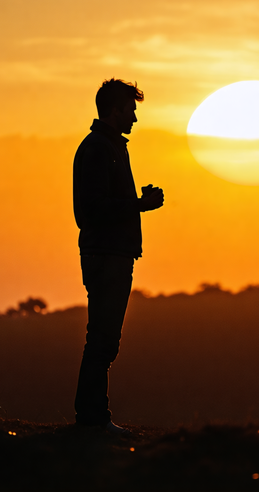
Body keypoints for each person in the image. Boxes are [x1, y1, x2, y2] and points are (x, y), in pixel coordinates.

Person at [73, 78, 164, 435]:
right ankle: (93, 419)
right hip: (106, 256)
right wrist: (138, 205)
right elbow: (89, 210)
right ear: (114, 110)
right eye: (131, 111)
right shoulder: (98, 148)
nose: (135, 119)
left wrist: (138, 205)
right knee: (103, 339)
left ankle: (93, 417)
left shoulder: (109, 147)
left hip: (112, 254)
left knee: (104, 338)